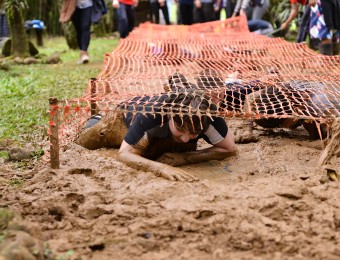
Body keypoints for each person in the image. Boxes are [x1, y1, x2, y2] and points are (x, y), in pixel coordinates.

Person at [76, 87, 237, 182]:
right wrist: (160, 168)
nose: (186, 138)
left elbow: (229, 149)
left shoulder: (210, 117)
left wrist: (186, 157)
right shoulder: (152, 113)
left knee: (163, 148)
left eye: (195, 133)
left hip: (157, 131)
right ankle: (95, 118)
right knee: (83, 140)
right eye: (180, 130)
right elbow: (124, 154)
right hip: (122, 119)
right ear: (171, 117)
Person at [60, 0, 107, 64]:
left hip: (88, 5)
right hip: (74, 6)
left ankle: (84, 52)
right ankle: (83, 51)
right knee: (78, 29)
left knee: (85, 27)